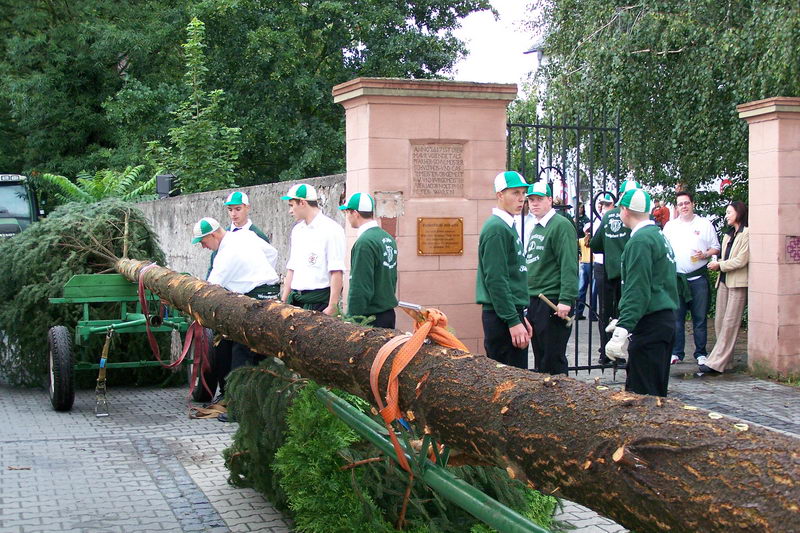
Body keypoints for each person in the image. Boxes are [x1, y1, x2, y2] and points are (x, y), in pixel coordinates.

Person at [192, 217, 281, 420]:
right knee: (257, 352)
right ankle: (254, 402)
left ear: (213, 235)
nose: (204, 247)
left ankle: (240, 409)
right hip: (269, 296)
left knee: (242, 352)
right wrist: (257, 272)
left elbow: (212, 288)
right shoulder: (246, 236)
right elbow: (272, 253)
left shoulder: (226, 254)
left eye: (204, 242)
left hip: (252, 301)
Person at [605, 189, 678, 396]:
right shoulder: (657, 235)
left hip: (651, 325)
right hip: (663, 320)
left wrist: (623, 329)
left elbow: (638, 290)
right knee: (656, 391)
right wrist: (623, 320)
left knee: (642, 396)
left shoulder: (640, 241)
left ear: (625, 210)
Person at [476, 171, 532, 368]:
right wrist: (512, 321)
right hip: (500, 317)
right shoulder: (496, 228)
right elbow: (496, 280)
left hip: (509, 313)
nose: (521, 198)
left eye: (523, 193)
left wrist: (520, 317)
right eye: (515, 193)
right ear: (500, 195)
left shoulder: (507, 225)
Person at [525, 181, 578, 375]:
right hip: (535, 299)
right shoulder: (537, 226)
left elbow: (569, 264)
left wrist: (566, 299)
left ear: (550, 200)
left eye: (539, 199)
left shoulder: (561, 225)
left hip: (552, 300)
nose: (534, 204)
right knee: (540, 356)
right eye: (531, 200)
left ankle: (560, 399)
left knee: (552, 357)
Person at [663, 191, 720, 365]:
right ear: (676, 207)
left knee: (700, 317)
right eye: (680, 204)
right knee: (676, 318)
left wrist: (705, 254)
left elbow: (716, 248)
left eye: (686, 203)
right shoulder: (670, 227)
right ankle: (677, 353)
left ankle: (701, 352)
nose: (684, 207)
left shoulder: (704, 224)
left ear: (693, 204)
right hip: (677, 279)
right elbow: (664, 250)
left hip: (698, 278)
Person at [589, 180, 641, 363]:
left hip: (606, 270)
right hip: (626, 272)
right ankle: (622, 352)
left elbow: (595, 245)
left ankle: (605, 352)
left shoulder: (608, 215)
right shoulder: (635, 220)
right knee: (625, 312)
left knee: (605, 312)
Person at [698, 201, 749, 376]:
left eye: (729, 212)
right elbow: (725, 257)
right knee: (720, 322)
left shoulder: (746, 234)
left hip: (737, 283)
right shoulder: (728, 235)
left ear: (739, 213)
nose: (726, 215)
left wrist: (720, 265)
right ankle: (725, 362)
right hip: (723, 281)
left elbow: (741, 260)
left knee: (730, 323)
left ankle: (716, 363)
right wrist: (718, 264)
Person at [280, 183, 346, 314]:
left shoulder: (332, 230)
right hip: (296, 301)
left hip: (319, 302)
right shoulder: (297, 230)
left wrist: (332, 305)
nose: (290, 211)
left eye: (292, 205)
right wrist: (282, 301)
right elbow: (291, 268)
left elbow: (336, 271)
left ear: (302, 203)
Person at [339, 192, 399, 329]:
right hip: (388, 314)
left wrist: (352, 319)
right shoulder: (388, 238)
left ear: (355, 213)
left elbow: (360, 285)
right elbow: (392, 278)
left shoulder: (364, 243)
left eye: (347, 212)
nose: (347, 217)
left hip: (370, 318)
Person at [207, 191, 271, 278]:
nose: (233, 214)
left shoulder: (258, 236)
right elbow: (214, 264)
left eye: (238, 209)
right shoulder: (224, 236)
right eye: (230, 209)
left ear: (247, 208)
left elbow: (266, 266)